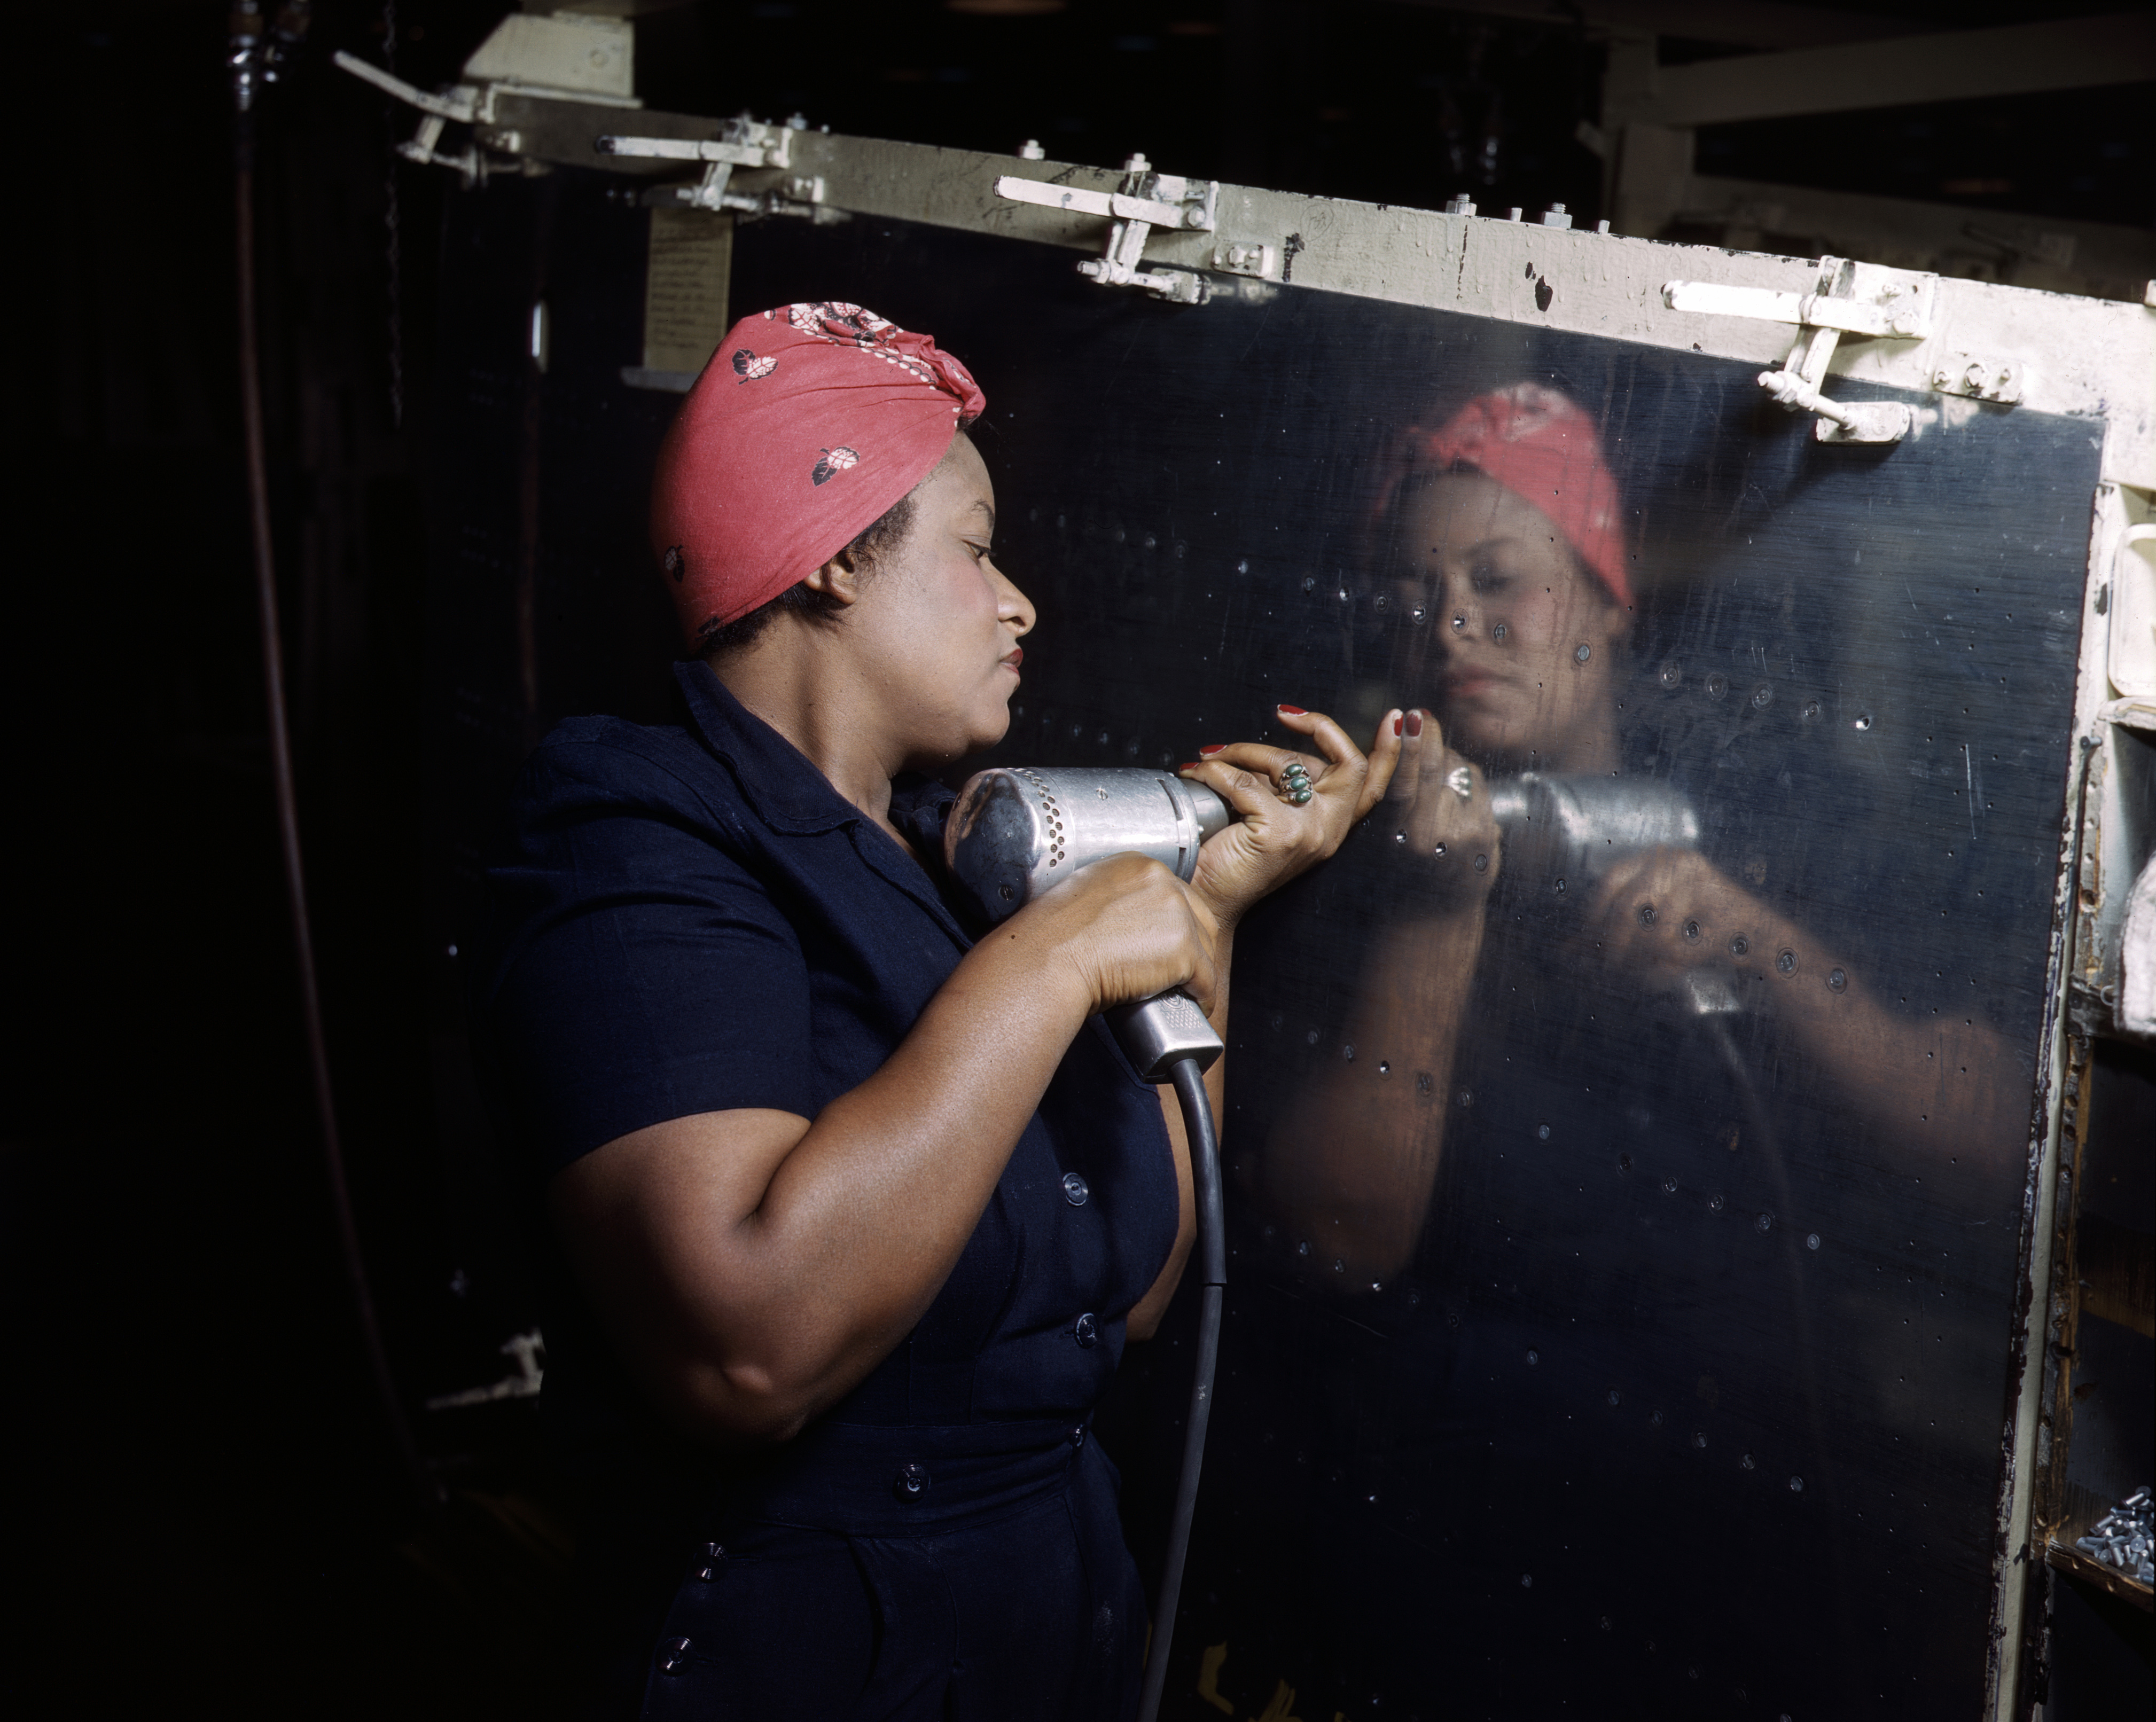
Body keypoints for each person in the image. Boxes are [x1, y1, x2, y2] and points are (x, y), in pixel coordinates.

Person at [474, 301, 1400, 1721]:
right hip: (801, 1656)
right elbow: (746, 1350)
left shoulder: (938, 860)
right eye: (975, 548)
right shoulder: (634, 836)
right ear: (839, 554)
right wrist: (1048, 965)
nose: (1019, 600)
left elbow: (1137, 1296)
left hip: (1046, 1615)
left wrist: (1202, 910)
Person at [1262, 382, 2018, 1280]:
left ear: (1608, 595)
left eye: (1498, 578)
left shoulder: (1773, 811)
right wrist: (1433, 914)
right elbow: (1340, 1243)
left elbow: (2003, 1151)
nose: (1455, 625)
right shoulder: (1348, 860)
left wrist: (1766, 952)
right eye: (1414, 601)